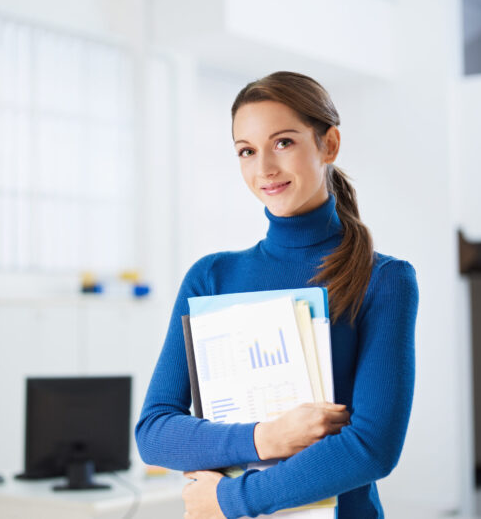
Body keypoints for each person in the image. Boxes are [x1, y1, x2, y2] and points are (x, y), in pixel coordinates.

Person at [134, 71, 418, 519]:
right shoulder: (210, 276)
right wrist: (265, 438)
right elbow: (153, 432)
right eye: (246, 151)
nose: (263, 167)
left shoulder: (385, 279)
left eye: (283, 142)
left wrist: (232, 499)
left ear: (329, 144)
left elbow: (372, 447)